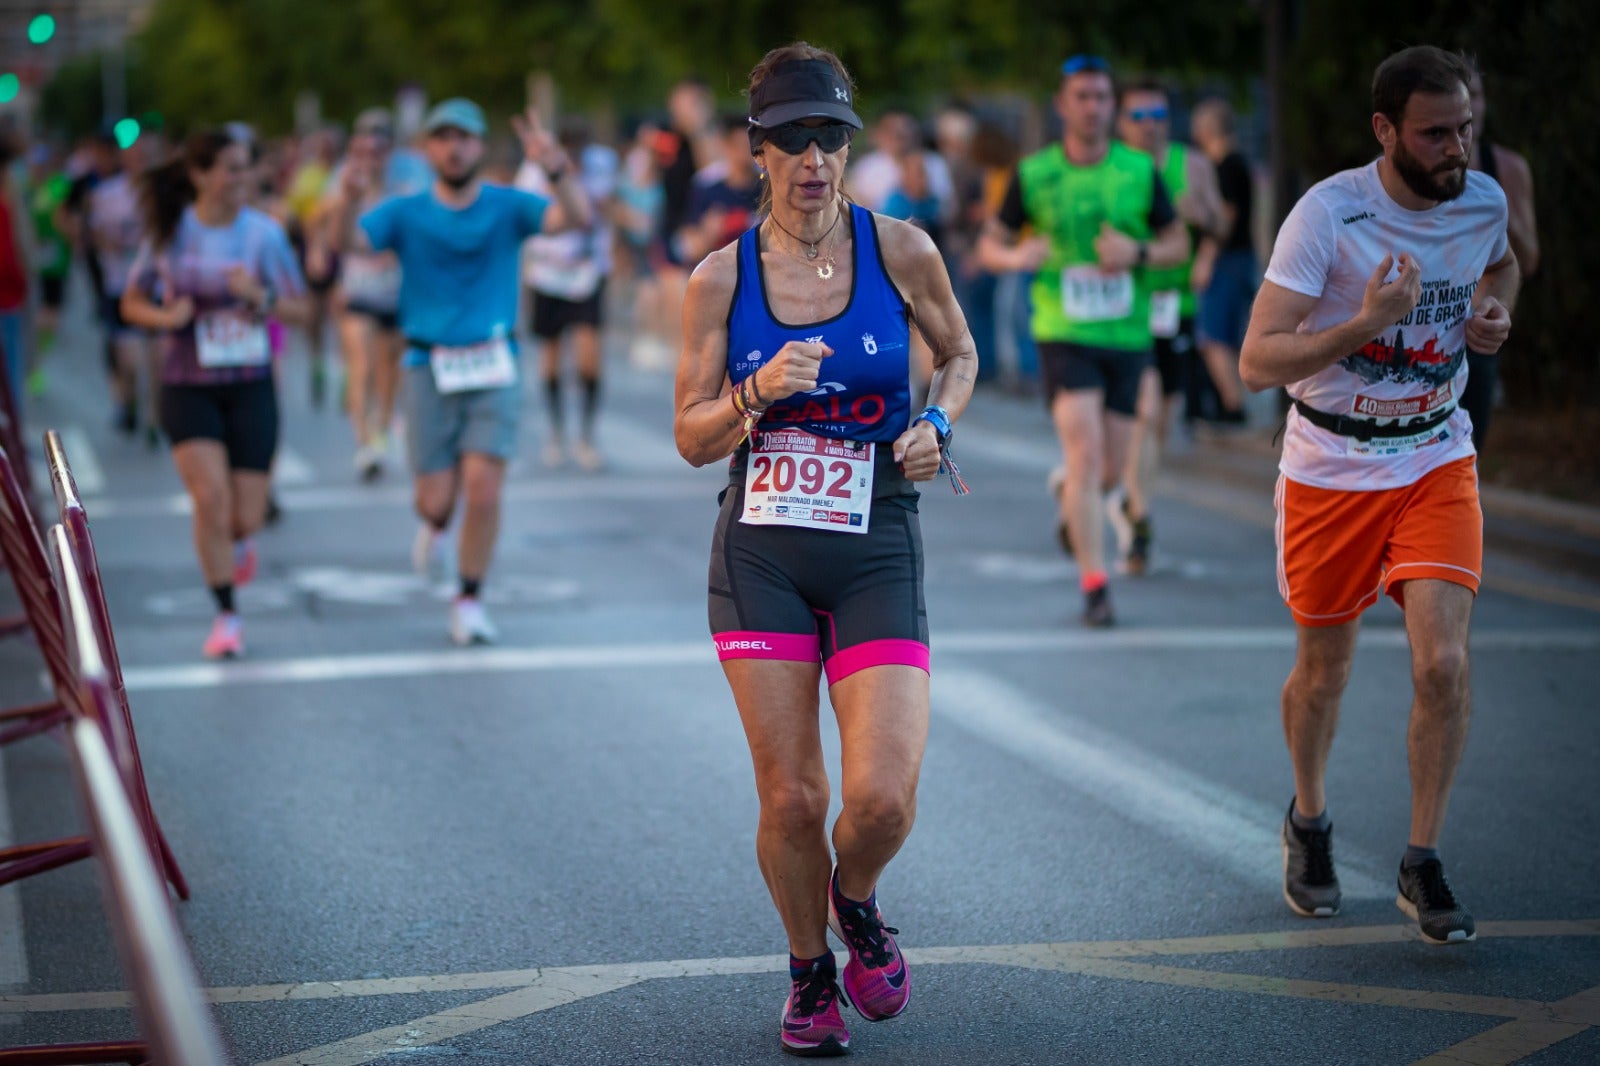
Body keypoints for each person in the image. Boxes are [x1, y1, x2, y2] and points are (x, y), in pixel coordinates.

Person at [674, 42, 977, 1057]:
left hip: (876, 534)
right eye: (793, 139)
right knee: (794, 795)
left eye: (832, 137)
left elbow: (961, 351)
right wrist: (758, 392)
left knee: (881, 798)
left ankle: (857, 899)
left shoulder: (902, 251)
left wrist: (938, 425)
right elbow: (689, 433)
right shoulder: (720, 278)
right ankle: (809, 970)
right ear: (756, 149)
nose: (814, 158)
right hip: (761, 546)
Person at [1239, 45, 1518, 945]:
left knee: (1443, 663)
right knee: (1326, 669)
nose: (1456, 149)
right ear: (1385, 130)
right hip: (1331, 466)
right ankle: (1310, 819)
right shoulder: (1328, 216)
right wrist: (1364, 323)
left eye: (1465, 129)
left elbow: (1502, 265)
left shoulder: (1480, 200)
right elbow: (1256, 362)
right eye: (1436, 133)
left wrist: (1491, 312)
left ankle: (1421, 858)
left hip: (1436, 451)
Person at [354, 98, 590, 645]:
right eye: (443, 137)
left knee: (483, 489)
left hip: (493, 361)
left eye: (464, 137)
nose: (453, 147)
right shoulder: (406, 211)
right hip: (426, 364)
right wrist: (346, 194)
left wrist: (557, 170)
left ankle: (468, 599)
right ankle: (435, 526)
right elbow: (347, 243)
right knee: (435, 500)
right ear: (429, 147)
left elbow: (573, 219)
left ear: (480, 146)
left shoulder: (508, 206)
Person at [978, 55, 1187, 627]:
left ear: (1111, 107)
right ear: (1062, 105)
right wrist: (1018, 255)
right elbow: (989, 246)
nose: (1093, 107)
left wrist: (1137, 252)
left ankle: (1073, 494)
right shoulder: (1035, 172)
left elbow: (1177, 244)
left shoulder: (1140, 172)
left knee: (1111, 475)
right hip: (1062, 331)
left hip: (1126, 334)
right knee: (1087, 455)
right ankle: (1096, 586)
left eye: (1102, 98)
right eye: (1082, 97)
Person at [122, 131, 312, 659]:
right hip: (187, 385)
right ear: (201, 175)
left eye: (246, 168)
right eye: (229, 168)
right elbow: (131, 303)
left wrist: (261, 297)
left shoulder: (265, 236)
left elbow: (303, 310)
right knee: (209, 497)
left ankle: (240, 538)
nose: (240, 179)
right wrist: (165, 318)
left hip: (250, 385)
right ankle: (227, 616)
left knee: (242, 517)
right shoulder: (169, 234)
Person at [1114, 76, 1226, 573]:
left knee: (1160, 420)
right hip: (1129, 305)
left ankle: (1112, 491)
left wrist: (1203, 236)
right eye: (1139, 117)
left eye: (1158, 117)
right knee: (1144, 410)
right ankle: (1140, 517)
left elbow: (1220, 223)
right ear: (1123, 122)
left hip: (1175, 304)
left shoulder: (1192, 164)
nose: (1150, 127)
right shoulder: (1114, 168)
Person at [516, 119, 618, 471]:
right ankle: (556, 432)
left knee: (589, 356)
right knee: (551, 356)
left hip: (587, 272)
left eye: (580, 151)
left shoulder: (601, 166)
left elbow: (606, 207)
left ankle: (587, 434)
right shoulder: (532, 171)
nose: (575, 157)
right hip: (547, 272)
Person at [317, 111, 406, 480]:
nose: (373, 156)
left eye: (380, 148)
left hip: (396, 289)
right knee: (363, 364)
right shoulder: (343, 178)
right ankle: (363, 443)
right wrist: (319, 255)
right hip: (356, 287)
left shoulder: (407, 179)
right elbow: (320, 222)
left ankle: (382, 431)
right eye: (365, 147)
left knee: (389, 368)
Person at [1460, 58, 1538, 451]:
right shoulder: (1417, 170)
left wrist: (1494, 206)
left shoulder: (1507, 168)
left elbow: (1529, 259)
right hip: (1421, 337)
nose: (1469, 105)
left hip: (1477, 341)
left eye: (1475, 94)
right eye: (1460, 94)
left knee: (1467, 456)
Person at [1192, 97, 1257, 424]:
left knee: (1212, 336)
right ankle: (1229, 404)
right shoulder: (1239, 163)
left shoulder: (1226, 166)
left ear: (1206, 129)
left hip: (1228, 261)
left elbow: (1226, 217)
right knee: (1226, 335)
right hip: (1240, 260)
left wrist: (1205, 259)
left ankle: (1233, 407)